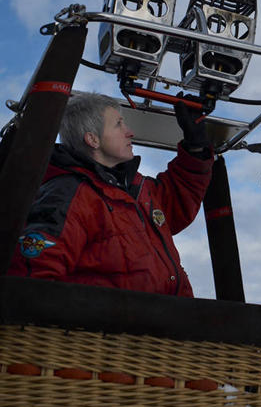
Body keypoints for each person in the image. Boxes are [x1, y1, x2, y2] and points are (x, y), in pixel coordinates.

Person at [7, 92, 213, 297]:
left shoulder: (137, 189)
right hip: (116, 327)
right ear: (93, 139)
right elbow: (33, 281)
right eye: (118, 124)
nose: (130, 132)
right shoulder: (69, 195)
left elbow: (177, 199)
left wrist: (196, 147)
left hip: (171, 320)